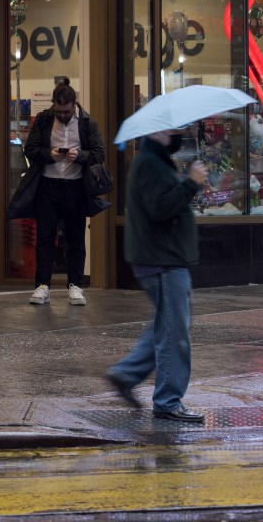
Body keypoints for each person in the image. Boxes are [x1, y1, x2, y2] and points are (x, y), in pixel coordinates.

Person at [105, 128, 208, 423]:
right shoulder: (150, 164)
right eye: (173, 130)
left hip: (165, 257)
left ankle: (126, 374)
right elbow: (160, 208)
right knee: (174, 333)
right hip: (162, 260)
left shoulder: (156, 161)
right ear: (158, 133)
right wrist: (190, 183)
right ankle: (167, 401)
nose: (178, 134)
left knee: (166, 325)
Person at [22, 79, 105, 306]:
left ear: (74, 105)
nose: (62, 116)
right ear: (53, 105)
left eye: (66, 112)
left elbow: (99, 153)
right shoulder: (44, 119)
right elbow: (30, 149)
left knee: (76, 238)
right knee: (45, 238)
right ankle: (42, 285)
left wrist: (80, 156)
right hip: (47, 185)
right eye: (58, 111)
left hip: (75, 186)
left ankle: (75, 286)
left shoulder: (87, 122)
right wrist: (50, 154)